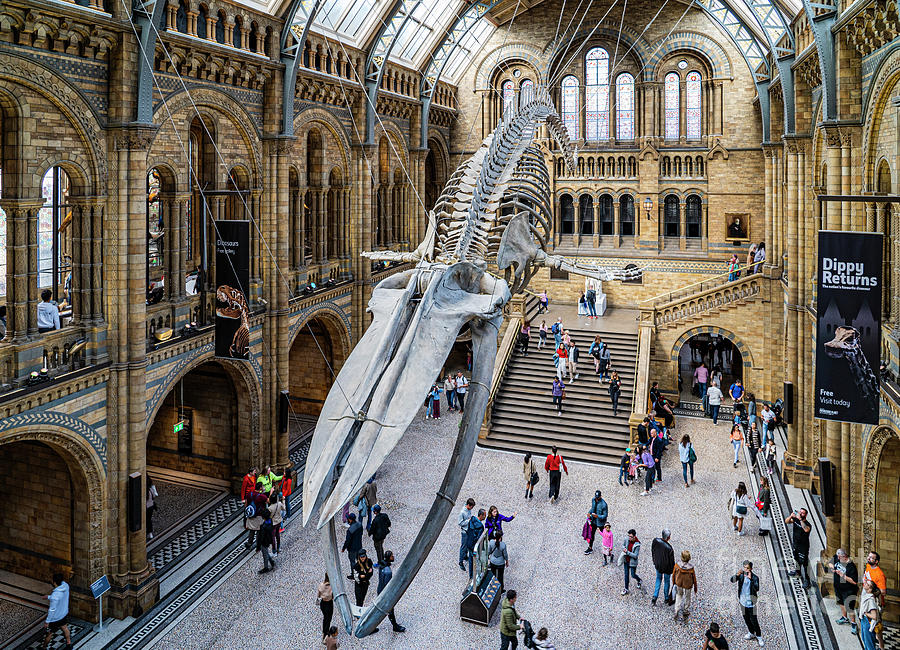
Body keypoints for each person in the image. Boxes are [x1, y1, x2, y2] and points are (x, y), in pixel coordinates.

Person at [730, 560, 764, 647]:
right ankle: (751, 632)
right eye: (744, 567)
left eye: (747, 568)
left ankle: (759, 636)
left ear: (751, 569)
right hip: (742, 601)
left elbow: (757, 588)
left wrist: (751, 579)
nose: (745, 569)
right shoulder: (741, 576)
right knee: (746, 618)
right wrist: (737, 575)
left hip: (751, 602)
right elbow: (732, 580)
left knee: (754, 620)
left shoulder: (755, 578)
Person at [828, 548, 859, 635]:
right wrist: (833, 568)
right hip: (838, 587)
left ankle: (853, 623)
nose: (837, 558)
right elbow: (830, 563)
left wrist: (843, 576)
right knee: (841, 602)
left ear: (845, 557)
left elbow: (854, 581)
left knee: (850, 607)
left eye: (840, 557)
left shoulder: (851, 566)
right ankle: (844, 617)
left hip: (848, 590)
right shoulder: (837, 557)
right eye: (837, 556)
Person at [376, 550, 406, 633]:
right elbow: (388, 585)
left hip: (380, 590)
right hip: (385, 594)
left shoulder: (382, 565)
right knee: (389, 610)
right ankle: (395, 626)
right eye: (392, 556)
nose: (393, 557)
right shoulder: (388, 571)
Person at [43, 573, 72, 650]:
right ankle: (69, 644)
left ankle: (44, 647)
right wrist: (49, 597)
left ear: (54, 582)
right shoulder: (66, 586)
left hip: (55, 618)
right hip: (64, 613)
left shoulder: (55, 595)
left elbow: (52, 609)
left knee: (49, 633)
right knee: (65, 628)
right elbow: (60, 598)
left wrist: (47, 621)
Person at [864, 551, 887, 649]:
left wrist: (871, 592)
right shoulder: (868, 566)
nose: (869, 559)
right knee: (871, 626)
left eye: (872, 558)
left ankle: (881, 647)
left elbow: (883, 592)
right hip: (868, 599)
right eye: (869, 557)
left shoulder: (879, 574)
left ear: (876, 561)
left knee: (876, 626)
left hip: (875, 602)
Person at [786, 509, 812, 588]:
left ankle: (807, 580)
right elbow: (787, 521)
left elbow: (806, 529)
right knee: (796, 559)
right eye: (800, 512)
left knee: (805, 563)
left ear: (805, 515)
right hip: (795, 544)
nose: (800, 513)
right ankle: (797, 572)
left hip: (803, 547)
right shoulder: (795, 520)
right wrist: (791, 515)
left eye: (803, 513)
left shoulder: (807, 524)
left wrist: (800, 520)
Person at [651, 529, 676, 606]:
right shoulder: (669, 548)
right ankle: (666, 598)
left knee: (658, 579)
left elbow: (653, 551)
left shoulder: (655, 541)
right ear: (668, 537)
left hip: (658, 565)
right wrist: (673, 570)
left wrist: (655, 561)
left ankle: (655, 596)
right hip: (667, 569)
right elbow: (672, 562)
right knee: (667, 582)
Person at [673, 550, 698, 622]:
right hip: (688, 584)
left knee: (679, 595)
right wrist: (695, 587)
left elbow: (674, 574)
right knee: (687, 597)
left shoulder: (677, 565)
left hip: (679, 583)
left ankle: (676, 609)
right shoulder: (691, 568)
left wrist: (674, 582)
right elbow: (694, 578)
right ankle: (685, 610)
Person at [859, 578, 882, 650]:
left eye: (867, 584)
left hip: (868, 622)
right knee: (865, 640)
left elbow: (874, 616)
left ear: (870, 589)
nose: (865, 584)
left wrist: (865, 613)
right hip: (864, 620)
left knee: (869, 645)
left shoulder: (870, 600)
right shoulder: (868, 595)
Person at [465, 508, 487, 577]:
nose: (485, 517)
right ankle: (474, 575)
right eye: (484, 515)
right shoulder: (480, 527)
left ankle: (471, 574)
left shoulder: (471, 520)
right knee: (475, 559)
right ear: (481, 515)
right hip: (474, 545)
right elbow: (479, 539)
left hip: (469, 542)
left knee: (471, 559)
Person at [342, 512, 363, 579]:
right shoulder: (360, 525)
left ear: (350, 520)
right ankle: (361, 571)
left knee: (352, 561)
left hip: (352, 548)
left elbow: (347, 541)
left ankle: (354, 574)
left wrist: (344, 548)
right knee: (359, 560)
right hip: (359, 546)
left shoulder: (350, 530)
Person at [621, 529, 643, 595]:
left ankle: (639, 580)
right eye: (628, 536)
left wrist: (627, 552)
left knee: (633, 575)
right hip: (626, 560)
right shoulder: (626, 539)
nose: (629, 538)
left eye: (630, 537)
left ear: (634, 537)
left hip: (632, 562)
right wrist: (624, 548)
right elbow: (623, 545)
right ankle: (626, 589)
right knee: (626, 575)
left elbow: (635, 556)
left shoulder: (637, 544)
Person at [458, 498, 475, 570]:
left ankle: (465, 556)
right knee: (463, 546)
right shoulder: (462, 512)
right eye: (471, 507)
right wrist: (468, 521)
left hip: (469, 530)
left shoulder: (468, 510)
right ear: (468, 505)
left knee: (468, 544)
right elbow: (460, 523)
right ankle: (460, 561)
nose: (472, 508)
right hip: (464, 531)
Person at [268, 492, 285, 556]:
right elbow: (284, 508)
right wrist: (283, 500)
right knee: (278, 535)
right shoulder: (279, 504)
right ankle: (278, 548)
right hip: (279, 521)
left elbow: (269, 516)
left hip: (273, 523)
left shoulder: (270, 508)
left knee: (273, 537)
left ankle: (274, 551)